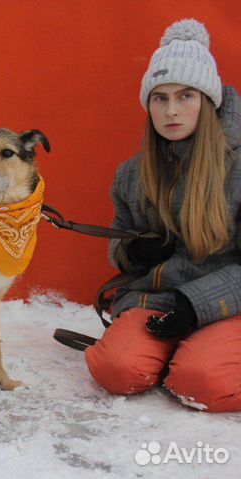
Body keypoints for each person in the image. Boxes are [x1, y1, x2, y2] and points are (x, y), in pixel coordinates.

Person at [84, 19, 241, 413]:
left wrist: (195, 306)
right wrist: (134, 254)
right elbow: (119, 242)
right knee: (116, 370)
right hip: (158, 297)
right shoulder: (132, 174)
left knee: (201, 382)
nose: (171, 110)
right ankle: (181, 352)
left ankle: (200, 355)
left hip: (229, 302)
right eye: (160, 97)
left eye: (185, 95)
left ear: (208, 100)